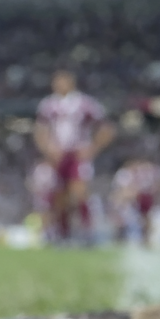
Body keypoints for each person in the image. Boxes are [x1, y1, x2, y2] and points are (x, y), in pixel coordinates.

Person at [33, 70, 115, 242]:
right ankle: (63, 234)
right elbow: (40, 130)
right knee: (59, 195)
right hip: (58, 155)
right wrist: (47, 149)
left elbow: (107, 127)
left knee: (79, 192)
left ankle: (88, 232)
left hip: (77, 154)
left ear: (71, 83)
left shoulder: (85, 103)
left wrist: (92, 148)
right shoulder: (48, 105)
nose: (58, 85)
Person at [112, 158, 160, 244]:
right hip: (129, 201)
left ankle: (144, 238)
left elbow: (156, 187)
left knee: (146, 218)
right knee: (122, 218)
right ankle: (120, 237)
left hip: (137, 200)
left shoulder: (145, 172)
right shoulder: (125, 173)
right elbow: (121, 191)